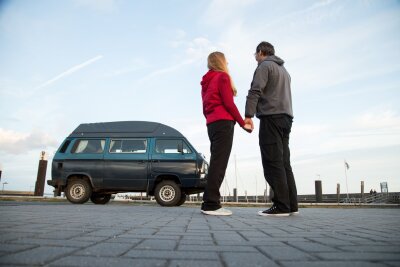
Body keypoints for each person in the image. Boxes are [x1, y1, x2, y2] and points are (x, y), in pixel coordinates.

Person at [244, 41, 298, 217]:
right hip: (286, 118)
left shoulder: (264, 66)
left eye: (255, 54)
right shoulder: (284, 71)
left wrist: (248, 115)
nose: (255, 58)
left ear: (260, 52)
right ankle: (292, 205)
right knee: (284, 162)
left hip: (271, 118)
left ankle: (281, 206)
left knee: (272, 162)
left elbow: (255, 91)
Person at [200, 51, 252, 216]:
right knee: (219, 163)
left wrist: (210, 119)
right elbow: (229, 104)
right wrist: (243, 123)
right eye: (226, 61)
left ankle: (210, 201)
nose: (228, 64)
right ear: (221, 62)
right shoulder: (222, 77)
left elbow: (204, 108)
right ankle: (211, 204)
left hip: (212, 124)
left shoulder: (206, 82)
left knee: (216, 162)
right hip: (223, 123)